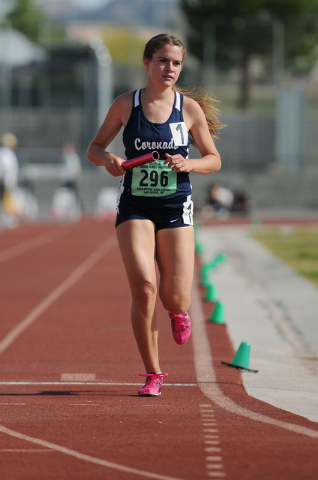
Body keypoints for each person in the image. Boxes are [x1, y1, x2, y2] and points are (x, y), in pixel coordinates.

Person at [87, 33, 222, 397]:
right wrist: (109, 159)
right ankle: (153, 372)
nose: (170, 68)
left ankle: (179, 313)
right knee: (144, 289)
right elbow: (94, 148)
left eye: (176, 62)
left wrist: (188, 161)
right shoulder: (125, 105)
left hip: (176, 205)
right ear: (147, 63)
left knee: (174, 297)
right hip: (135, 204)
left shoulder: (188, 109)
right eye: (162, 60)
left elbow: (214, 159)